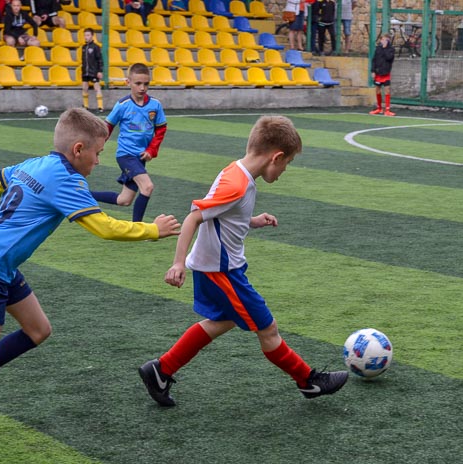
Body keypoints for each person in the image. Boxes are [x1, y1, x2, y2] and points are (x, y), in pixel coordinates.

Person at [0, 108, 181, 455]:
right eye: (98, 154)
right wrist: (152, 230)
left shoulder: (37, 164)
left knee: (38, 330)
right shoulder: (66, 180)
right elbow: (104, 227)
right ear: (79, 149)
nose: (100, 162)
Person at [138, 115, 349, 408]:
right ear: (276, 156)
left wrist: (251, 221)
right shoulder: (237, 184)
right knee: (268, 328)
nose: (285, 170)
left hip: (216, 267)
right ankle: (308, 381)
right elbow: (194, 217)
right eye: (287, 163)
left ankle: (161, 370)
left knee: (222, 321)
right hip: (223, 272)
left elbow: (224, 214)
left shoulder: (237, 173)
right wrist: (177, 263)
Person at [90, 63, 167, 223]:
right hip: (126, 156)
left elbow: (160, 130)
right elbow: (107, 127)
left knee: (124, 200)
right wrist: (96, 149)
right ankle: (138, 228)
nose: (142, 88)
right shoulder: (122, 105)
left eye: (146, 84)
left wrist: (151, 150)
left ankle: (85, 194)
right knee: (147, 187)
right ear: (128, 82)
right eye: (138, 83)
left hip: (140, 158)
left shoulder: (155, 105)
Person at [369, 33, 396, 116]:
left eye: (384, 39)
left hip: (386, 73)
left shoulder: (391, 49)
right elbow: (374, 60)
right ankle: (379, 108)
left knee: (387, 90)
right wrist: (373, 71)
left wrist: (385, 48)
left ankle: (387, 110)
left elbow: (389, 58)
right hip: (378, 73)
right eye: (381, 39)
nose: (382, 41)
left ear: (388, 41)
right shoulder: (378, 49)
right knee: (377, 89)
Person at [81, 28, 104, 113]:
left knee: (97, 88)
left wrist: (100, 71)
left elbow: (100, 60)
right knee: (84, 87)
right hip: (85, 71)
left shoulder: (96, 47)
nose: (86, 37)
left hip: (93, 71)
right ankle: (86, 106)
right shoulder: (84, 47)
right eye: (85, 35)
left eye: (87, 35)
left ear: (92, 36)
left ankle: (100, 107)